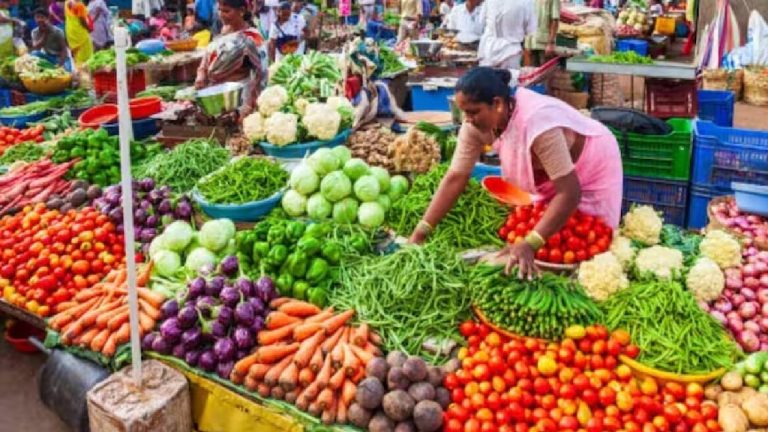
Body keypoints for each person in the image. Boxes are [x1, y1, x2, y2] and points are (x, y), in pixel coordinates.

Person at [409, 68, 623, 279]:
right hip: (551, 176)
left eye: (473, 112)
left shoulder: (536, 121)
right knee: (552, 234)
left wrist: (530, 243)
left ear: (498, 104)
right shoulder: (473, 126)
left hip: (592, 162)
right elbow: (455, 177)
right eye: (464, 112)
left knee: (592, 240)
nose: (467, 119)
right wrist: (421, 232)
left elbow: (569, 193)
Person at [194, 0, 268, 117]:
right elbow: (208, 53)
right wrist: (201, 73)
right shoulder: (222, 31)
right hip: (214, 96)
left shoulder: (252, 38)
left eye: (226, 11)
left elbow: (262, 75)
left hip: (238, 99)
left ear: (242, 11)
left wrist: (250, 106)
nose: (221, 14)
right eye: (219, 10)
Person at [478, 0, 536, 69]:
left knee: (486, 78)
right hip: (511, 52)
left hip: (488, 49)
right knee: (509, 78)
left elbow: (481, 22)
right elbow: (530, 29)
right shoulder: (527, 2)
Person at [525, 0, 559, 66]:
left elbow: (555, 20)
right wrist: (527, 43)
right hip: (531, 41)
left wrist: (550, 43)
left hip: (544, 43)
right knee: (533, 72)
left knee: (544, 72)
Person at [64, 0, 93, 66]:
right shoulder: (79, 5)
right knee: (86, 55)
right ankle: (84, 71)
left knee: (76, 53)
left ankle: (77, 68)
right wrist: (89, 28)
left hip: (71, 30)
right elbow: (82, 21)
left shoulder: (67, 2)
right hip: (80, 32)